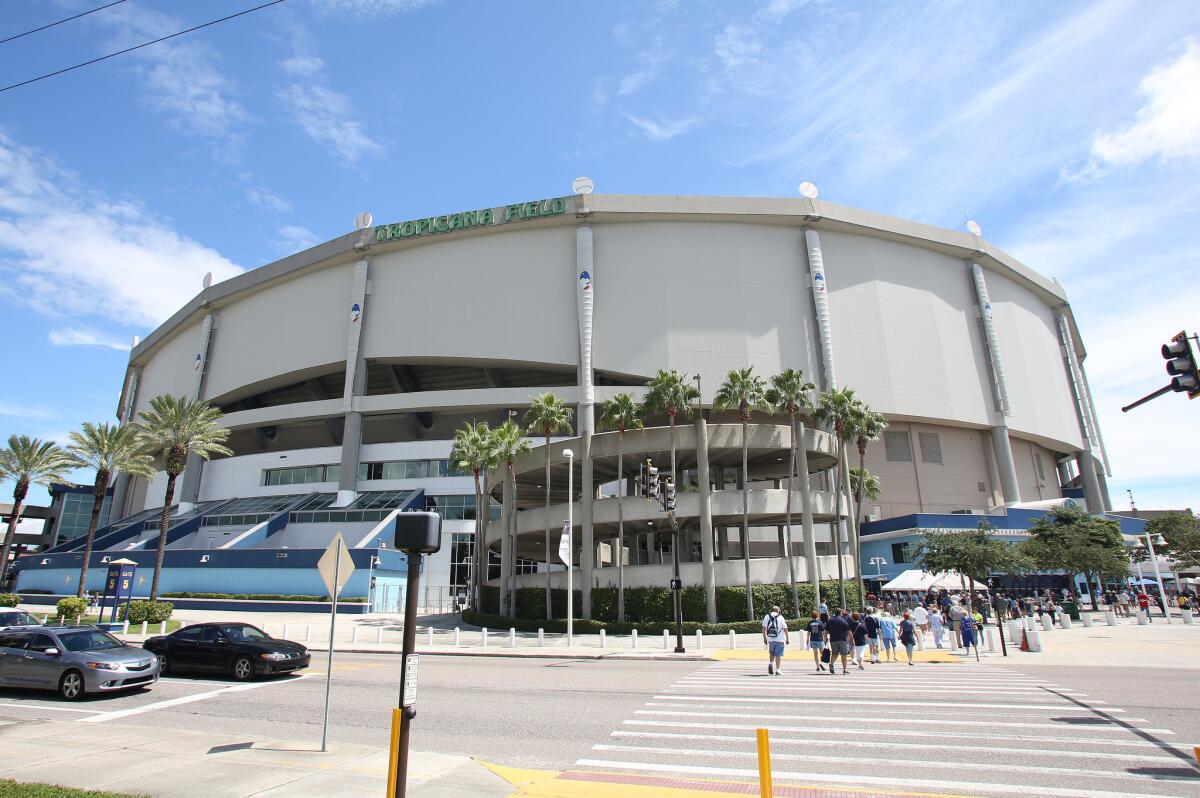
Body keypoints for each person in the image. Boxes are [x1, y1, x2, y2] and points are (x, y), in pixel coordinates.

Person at [762, 605, 790, 676]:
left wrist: (765, 638)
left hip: (770, 639)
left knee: (772, 652)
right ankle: (778, 670)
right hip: (779, 639)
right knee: (778, 655)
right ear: (778, 611)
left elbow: (763, 628)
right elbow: (785, 628)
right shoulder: (780, 617)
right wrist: (787, 638)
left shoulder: (767, 616)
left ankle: (771, 663)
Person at [825, 608, 853, 675]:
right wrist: (852, 639)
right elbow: (849, 631)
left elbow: (826, 631)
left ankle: (831, 664)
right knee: (843, 655)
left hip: (833, 640)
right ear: (840, 613)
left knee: (835, 653)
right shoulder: (843, 620)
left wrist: (825, 638)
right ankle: (845, 670)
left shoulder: (830, 620)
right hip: (842, 640)